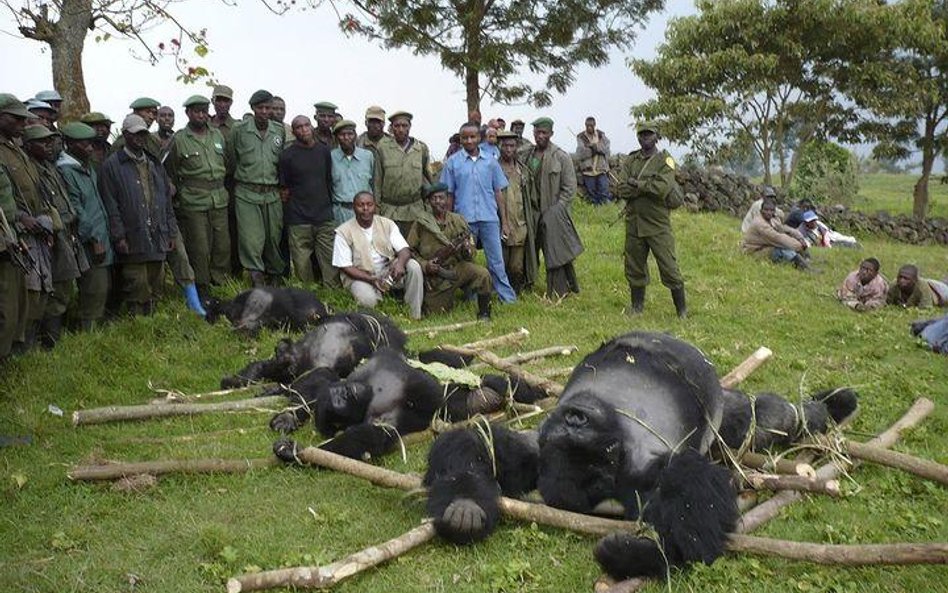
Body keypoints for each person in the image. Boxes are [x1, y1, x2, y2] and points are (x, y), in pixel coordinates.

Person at [98, 115, 178, 316]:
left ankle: (151, 324)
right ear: (125, 135)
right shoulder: (112, 166)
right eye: (134, 134)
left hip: (157, 233)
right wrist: (119, 236)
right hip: (132, 235)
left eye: (142, 133)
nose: (139, 138)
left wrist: (170, 232)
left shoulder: (154, 164)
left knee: (156, 281)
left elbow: (166, 201)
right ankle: (137, 323)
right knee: (136, 283)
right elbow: (111, 205)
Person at [23, 123, 87, 348]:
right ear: (29, 145)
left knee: (63, 288)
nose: (49, 145)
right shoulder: (32, 170)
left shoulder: (50, 167)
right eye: (43, 142)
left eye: (50, 141)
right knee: (50, 291)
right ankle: (47, 343)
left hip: (63, 233)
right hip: (46, 235)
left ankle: (52, 341)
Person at [164, 95, 231, 303]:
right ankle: (202, 286)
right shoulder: (179, 139)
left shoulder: (217, 135)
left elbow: (227, 163)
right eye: (196, 111)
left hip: (219, 198)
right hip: (193, 201)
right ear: (188, 113)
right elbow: (169, 171)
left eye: (204, 111)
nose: (201, 115)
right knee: (199, 247)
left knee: (222, 245)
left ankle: (219, 282)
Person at [440, 121, 517, 304]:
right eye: (464, 137)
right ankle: (472, 296)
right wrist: (448, 221)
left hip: (489, 218)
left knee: (496, 261)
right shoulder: (453, 163)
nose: (469, 141)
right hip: (464, 220)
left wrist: (504, 221)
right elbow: (449, 194)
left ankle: (507, 297)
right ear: (460, 139)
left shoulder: (490, 162)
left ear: (479, 138)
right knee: (467, 259)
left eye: (472, 137)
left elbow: (499, 192)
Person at [614, 121, 684, 316]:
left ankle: (682, 311)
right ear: (638, 137)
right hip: (634, 223)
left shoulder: (665, 160)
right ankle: (637, 308)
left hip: (657, 223)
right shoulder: (631, 160)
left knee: (669, 267)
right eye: (642, 134)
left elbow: (662, 188)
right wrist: (645, 187)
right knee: (634, 267)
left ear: (656, 137)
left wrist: (637, 184)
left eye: (649, 134)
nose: (645, 137)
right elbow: (621, 188)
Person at [57, 122, 114, 330]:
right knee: (93, 288)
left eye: (91, 143)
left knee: (102, 288)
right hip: (88, 240)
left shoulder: (86, 167)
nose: (90, 148)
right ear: (70, 144)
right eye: (84, 144)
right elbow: (76, 209)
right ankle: (87, 334)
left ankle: (93, 328)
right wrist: (94, 239)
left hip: (101, 233)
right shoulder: (66, 171)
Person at [226, 90, 286, 286]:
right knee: (252, 240)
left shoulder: (279, 130)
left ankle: (275, 278)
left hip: (272, 193)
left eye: (268, 108)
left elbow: (281, 162)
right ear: (252, 108)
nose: (264, 111)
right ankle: (257, 281)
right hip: (247, 192)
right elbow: (232, 159)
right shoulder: (239, 129)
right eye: (260, 108)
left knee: (273, 238)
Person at [332, 191, 423, 319]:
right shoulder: (343, 232)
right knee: (367, 300)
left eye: (369, 205)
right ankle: (380, 317)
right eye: (361, 205)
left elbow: (404, 249)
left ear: (375, 206)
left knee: (413, 266)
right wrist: (372, 280)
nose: (365, 209)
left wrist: (400, 265)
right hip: (361, 276)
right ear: (354, 208)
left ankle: (414, 315)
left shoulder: (387, 224)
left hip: (388, 271)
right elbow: (346, 267)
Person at [407, 183, 492, 318]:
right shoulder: (421, 223)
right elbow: (410, 251)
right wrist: (425, 265)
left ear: (447, 199)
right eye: (434, 198)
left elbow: (471, 251)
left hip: (457, 269)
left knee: (483, 274)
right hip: (436, 278)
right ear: (429, 202)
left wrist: (467, 249)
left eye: (441, 198)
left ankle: (485, 313)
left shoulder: (458, 220)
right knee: (435, 313)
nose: (438, 202)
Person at [523, 117, 584, 299]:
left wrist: (557, 211)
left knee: (557, 253)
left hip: (553, 214)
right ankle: (528, 284)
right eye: (537, 132)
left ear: (551, 134)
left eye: (544, 133)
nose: (540, 136)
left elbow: (569, 189)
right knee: (531, 251)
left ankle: (561, 290)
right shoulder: (528, 156)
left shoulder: (561, 156)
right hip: (533, 213)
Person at [278, 115, 336, 286]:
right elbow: (284, 187)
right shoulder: (287, 156)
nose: (304, 130)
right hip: (298, 218)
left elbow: (328, 179)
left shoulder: (324, 151)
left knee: (329, 261)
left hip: (324, 216)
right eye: (299, 127)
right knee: (302, 264)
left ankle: (334, 294)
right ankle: (307, 293)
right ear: (293, 131)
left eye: (306, 125)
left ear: (312, 126)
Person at [0, 94, 32, 361]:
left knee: (15, 305)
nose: (23, 124)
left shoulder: (14, 147)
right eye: (16, 118)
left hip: (12, 235)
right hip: (3, 240)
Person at [375, 111, 431, 237]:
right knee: (389, 249)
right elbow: (377, 181)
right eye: (397, 126)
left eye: (404, 126)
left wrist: (428, 206)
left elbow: (428, 179)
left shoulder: (421, 149)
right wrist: (377, 208)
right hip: (389, 210)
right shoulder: (382, 148)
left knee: (413, 249)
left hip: (414, 210)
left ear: (410, 127)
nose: (400, 129)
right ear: (391, 128)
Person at [497, 130, 535, 293]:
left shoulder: (523, 170)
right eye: (505, 145)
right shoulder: (494, 168)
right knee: (501, 263)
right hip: (500, 223)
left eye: (512, 145)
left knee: (516, 266)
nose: (508, 149)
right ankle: (501, 293)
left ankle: (516, 292)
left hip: (520, 225)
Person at [742, 196, 811, 270]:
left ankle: (806, 260)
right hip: (753, 252)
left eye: (771, 210)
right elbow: (778, 238)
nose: (769, 212)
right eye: (766, 210)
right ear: (761, 210)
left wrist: (799, 238)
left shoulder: (771, 219)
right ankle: (805, 268)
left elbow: (784, 228)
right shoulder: (760, 224)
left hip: (764, 246)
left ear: (774, 211)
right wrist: (799, 245)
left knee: (792, 238)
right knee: (782, 248)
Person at [331, 118, 376, 225]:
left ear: (355, 135)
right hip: (340, 212)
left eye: (350, 134)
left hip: (365, 212)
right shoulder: (330, 157)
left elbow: (374, 183)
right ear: (337, 137)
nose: (346, 138)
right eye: (342, 135)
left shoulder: (367, 156)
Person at [575, 116, 612, 205]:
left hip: (601, 169)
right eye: (587, 126)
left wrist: (596, 148)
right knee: (592, 195)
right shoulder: (581, 137)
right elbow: (580, 154)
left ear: (594, 125)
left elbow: (607, 150)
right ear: (585, 125)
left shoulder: (601, 135)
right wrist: (592, 151)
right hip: (588, 171)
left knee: (603, 192)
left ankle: (604, 211)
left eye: (591, 126)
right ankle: (595, 213)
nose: (589, 128)